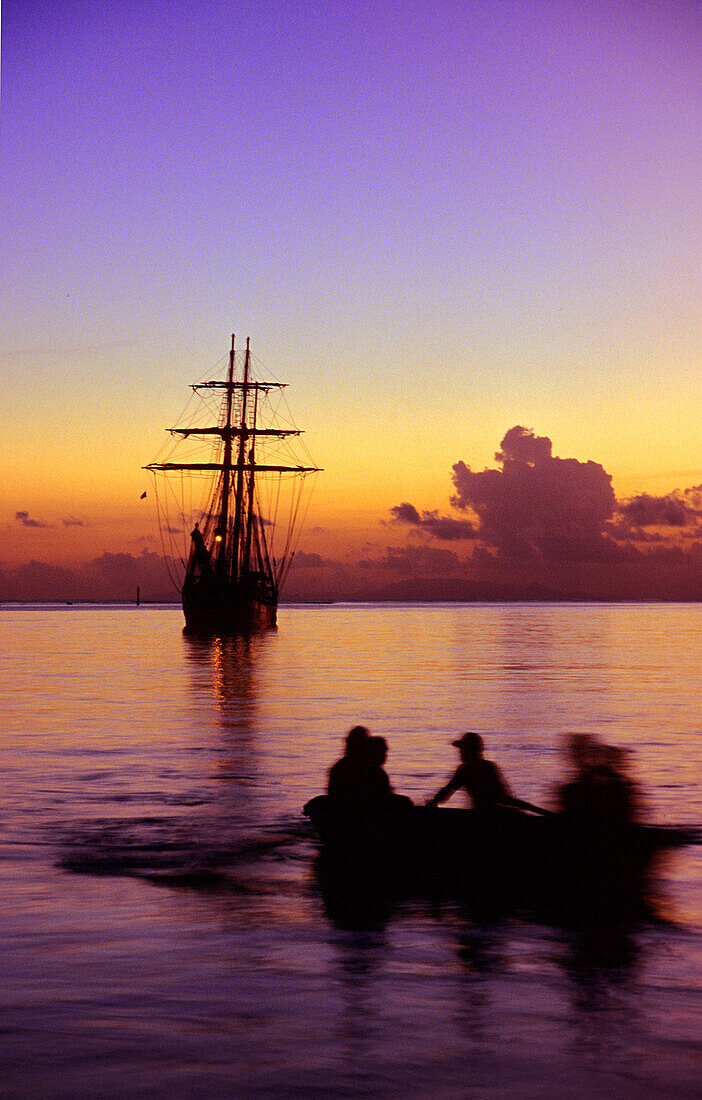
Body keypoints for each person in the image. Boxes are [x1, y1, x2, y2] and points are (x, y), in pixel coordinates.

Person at [426, 732, 516, 812]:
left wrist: (434, 802)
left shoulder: (466, 769)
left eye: (463, 749)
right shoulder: (489, 767)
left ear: (472, 751)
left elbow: (448, 790)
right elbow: (504, 798)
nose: (460, 753)